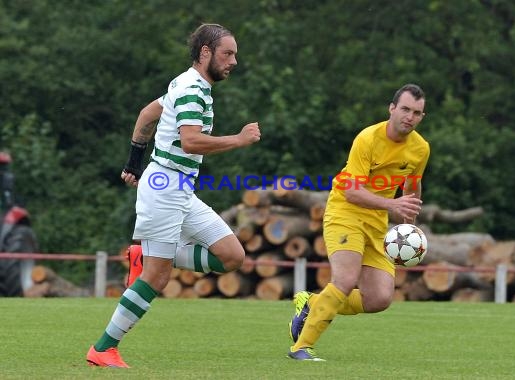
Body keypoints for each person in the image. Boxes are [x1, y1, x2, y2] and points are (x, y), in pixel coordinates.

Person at [86, 23, 261, 368]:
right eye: (228, 53)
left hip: (178, 188)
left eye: (235, 54)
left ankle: (145, 254)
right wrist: (238, 139)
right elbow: (191, 141)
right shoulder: (192, 89)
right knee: (157, 277)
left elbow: (147, 115)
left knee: (232, 255)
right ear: (205, 53)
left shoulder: (187, 84)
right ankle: (103, 349)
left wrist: (134, 162)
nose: (234, 61)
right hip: (164, 188)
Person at [287, 84, 430, 361]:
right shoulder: (368, 138)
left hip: (377, 221)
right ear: (392, 108)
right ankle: (301, 347)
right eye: (405, 109)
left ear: (422, 116)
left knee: (379, 299)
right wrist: (392, 204)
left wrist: (408, 224)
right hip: (345, 211)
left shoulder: (420, 148)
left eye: (417, 113)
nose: (410, 117)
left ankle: (312, 303)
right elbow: (352, 191)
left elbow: (412, 186)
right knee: (345, 279)